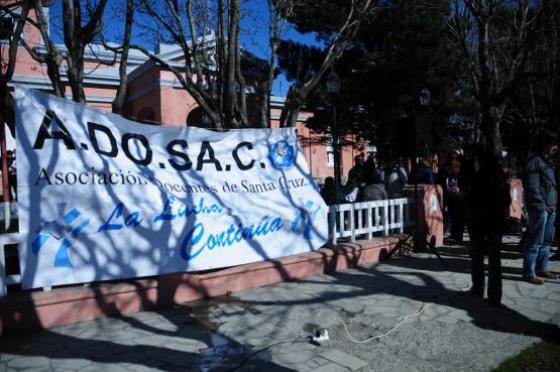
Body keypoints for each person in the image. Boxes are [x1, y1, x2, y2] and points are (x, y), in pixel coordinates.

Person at [466, 149, 511, 305]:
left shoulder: (477, 177)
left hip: (479, 222)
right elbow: (507, 201)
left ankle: (478, 287)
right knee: (494, 259)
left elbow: (471, 201)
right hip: (495, 222)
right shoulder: (501, 178)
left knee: (478, 256)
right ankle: (494, 295)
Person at [522, 133, 558, 284]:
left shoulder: (548, 162)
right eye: (552, 144)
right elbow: (532, 186)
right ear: (544, 144)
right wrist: (542, 207)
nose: (555, 147)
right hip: (540, 208)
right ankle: (529, 272)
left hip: (550, 207)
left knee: (547, 241)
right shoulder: (534, 162)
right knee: (535, 241)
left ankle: (541, 268)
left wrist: (552, 206)